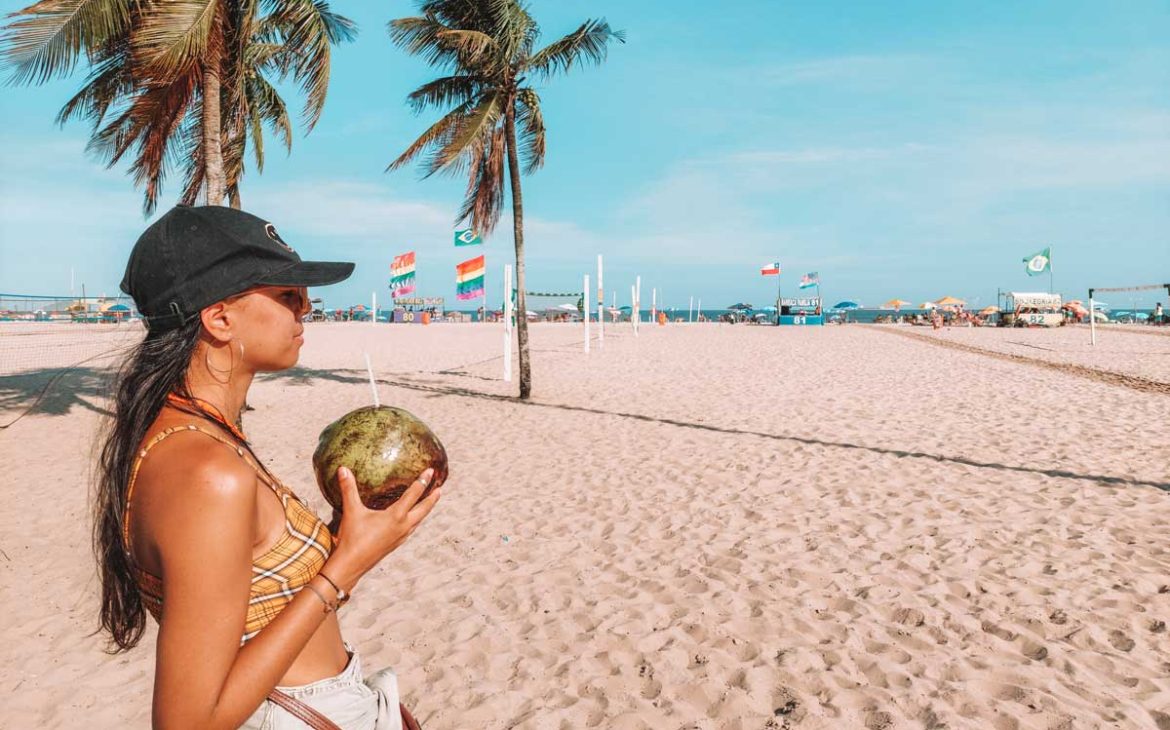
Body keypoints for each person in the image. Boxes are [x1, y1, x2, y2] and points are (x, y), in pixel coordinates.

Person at [95, 206, 441, 729]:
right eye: (286, 295)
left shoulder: (199, 432)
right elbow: (187, 721)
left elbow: (254, 593)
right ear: (219, 318)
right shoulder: (207, 471)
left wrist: (346, 536)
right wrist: (344, 568)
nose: (306, 306)